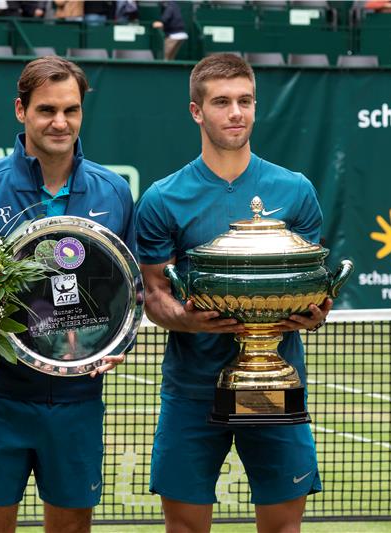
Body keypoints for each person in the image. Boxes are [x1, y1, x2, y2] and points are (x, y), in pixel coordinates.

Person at [0, 56, 137, 533]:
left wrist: (117, 345)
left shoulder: (115, 192)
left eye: (71, 110)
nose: (60, 122)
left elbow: (125, 292)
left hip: (78, 399)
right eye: (47, 110)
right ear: (20, 110)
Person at [135, 53, 331, 533]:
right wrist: (187, 319)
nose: (236, 112)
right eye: (222, 102)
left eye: (245, 101)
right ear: (197, 111)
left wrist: (315, 313)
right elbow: (154, 294)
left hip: (273, 386)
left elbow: (313, 287)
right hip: (193, 389)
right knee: (184, 528)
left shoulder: (296, 190)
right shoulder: (163, 198)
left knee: (283, 527)